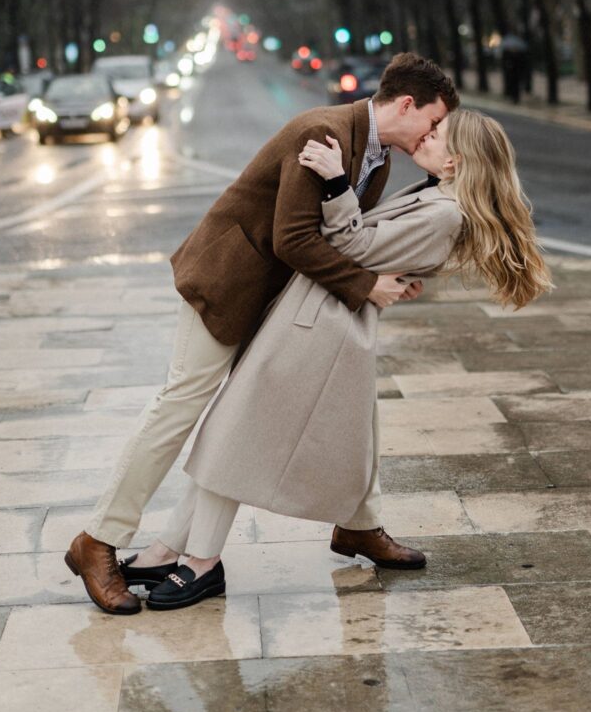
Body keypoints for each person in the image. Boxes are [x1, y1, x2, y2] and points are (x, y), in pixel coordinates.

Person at [65, 52, 460, 614]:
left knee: (349, 399)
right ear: (405, 105)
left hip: (277, 304)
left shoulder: (379, 160)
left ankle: (359, 524)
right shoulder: (323, 132)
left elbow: (342, 234)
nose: (435, 132)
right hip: (229, 288)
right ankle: (97, 541)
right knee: (179, 407)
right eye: (434, 120)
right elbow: (293, 239)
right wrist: (366, 284)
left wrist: (372, 273)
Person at [137, 109, 553, 611]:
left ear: (455, 161)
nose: (426, 134)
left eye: (437, 134)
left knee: (234, 443)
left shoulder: (445, 213)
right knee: (232, 438)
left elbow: (349, 243)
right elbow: (375, 251)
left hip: (320, 331)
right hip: (311, 318)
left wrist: (336, 183)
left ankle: (201, 565)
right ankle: (167, 551)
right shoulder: (433, 195)